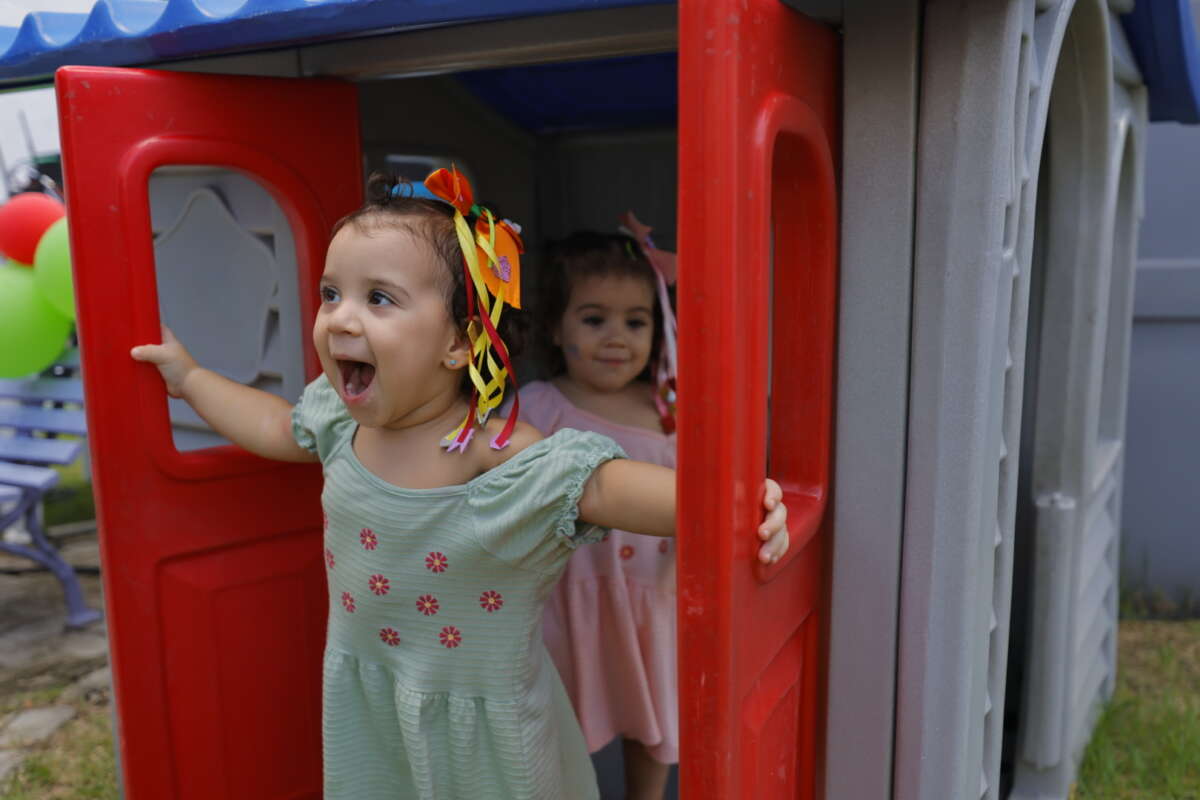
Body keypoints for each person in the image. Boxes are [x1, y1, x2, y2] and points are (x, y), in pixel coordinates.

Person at [130, 169, 789, 800]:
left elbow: (605, 488)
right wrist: (190, 379)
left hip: (486, 738)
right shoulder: (337, 422)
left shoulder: (499, 460)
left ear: (458, 344)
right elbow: (275, 424)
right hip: (372, 704)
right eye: (332, 293)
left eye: (378, 298)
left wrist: (741, 505)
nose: (340, 318)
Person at [520, 223, 682, 800]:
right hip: (569, 602)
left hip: (651, 598)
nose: (617, 337)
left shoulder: (670, 409)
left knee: (652, 724)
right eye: (594, 320)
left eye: (635, 321)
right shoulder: (540, 407)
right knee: (565, 726)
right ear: (555, 327)